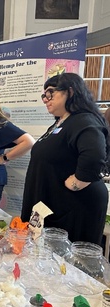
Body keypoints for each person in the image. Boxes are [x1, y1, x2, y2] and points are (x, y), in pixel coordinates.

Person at [21, 73, 110, 245]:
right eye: (43, 96)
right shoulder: (60, 122)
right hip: (57, 205)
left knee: (68, 262)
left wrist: (78, 181)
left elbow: (94, 155)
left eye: (50, 93)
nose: (46, 99)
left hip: (75, 206)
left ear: (70, 91)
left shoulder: (83, 119)